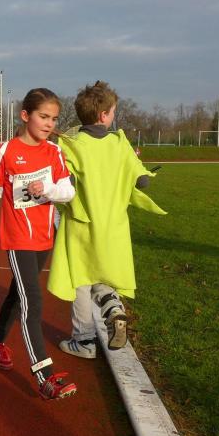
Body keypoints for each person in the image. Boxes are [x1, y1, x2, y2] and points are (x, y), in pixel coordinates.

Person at [48, 81, 165, 357]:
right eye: (113, 111)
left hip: (81, 226)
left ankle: (84, 341)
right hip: (114, 227)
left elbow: (65, 183)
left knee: (81, 281)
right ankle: (112, 305)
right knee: (104, 273)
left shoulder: (71, 145)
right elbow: (143, 181)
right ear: (104, 115)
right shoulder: (119, 143)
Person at [0, 87, 78, 400]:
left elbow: (68, 191)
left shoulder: (55, 152)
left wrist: (46, 189)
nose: (49, 124)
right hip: (17, 238)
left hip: (44, 237)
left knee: (18, 292)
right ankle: (44, 375)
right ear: (25, 115)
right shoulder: (6, 151)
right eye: (43, 116)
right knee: (32, 301)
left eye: (54, 119)